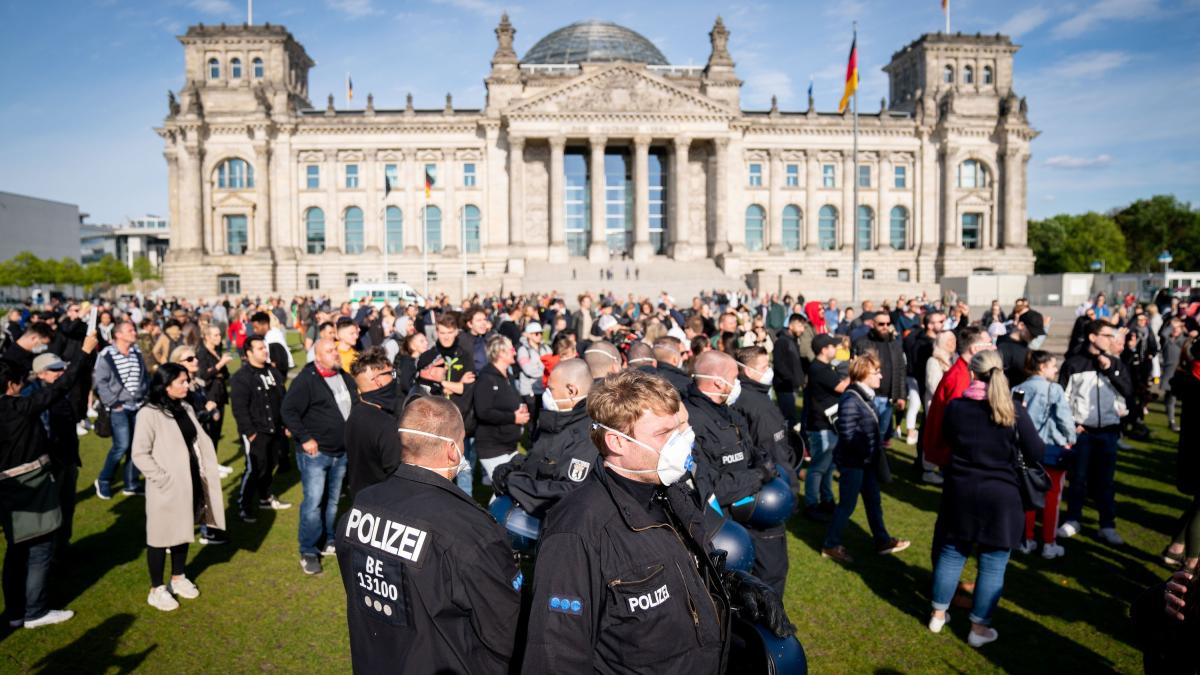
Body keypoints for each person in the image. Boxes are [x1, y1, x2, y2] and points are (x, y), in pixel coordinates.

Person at [522, 369, 793, 672]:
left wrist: (734, 584)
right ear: (617, 442)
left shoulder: (670, 492)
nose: (683, 441)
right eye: (665, 433)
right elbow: (555, 656)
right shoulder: (576, 532)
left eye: (681, 428)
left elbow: (689, 568)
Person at [335, 395, 521, 673]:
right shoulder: (471, 531)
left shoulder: (362, 505)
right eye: (461, 441)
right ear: (451, 450)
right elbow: (504, 627)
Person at [928, 350, 1044, 647]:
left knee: (952, 553)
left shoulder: (956, 408)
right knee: (992, 563)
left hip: (961, 490)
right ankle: (978, 629)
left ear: (973, 372)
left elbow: (947, 439)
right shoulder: (1013, 409)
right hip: (1001, 496)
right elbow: (1037, 452)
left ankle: (938, 614)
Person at [1, 333, 97, 629]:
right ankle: (35, 611)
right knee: (40, 547)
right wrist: (83, 351)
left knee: (16, 549)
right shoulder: (18, 407)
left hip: (5, 487)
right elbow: (63, 385)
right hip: (30, 483)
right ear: (11, 385)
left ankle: (15, 611)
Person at [687, 350, 786, 594]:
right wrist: (758, 476)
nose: (738, 383)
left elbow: (751, 450)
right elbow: (711, 489)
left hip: (757, 516)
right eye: (734, 377)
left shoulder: (728, 411)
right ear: (718, 382)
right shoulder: (692, 423)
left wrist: (763, 462)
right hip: (728, 530)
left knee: (773, 576)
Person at [131, 364, 226, 611]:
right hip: (166, 485)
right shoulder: (148, 413)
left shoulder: (184, 407)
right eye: (182, 381)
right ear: (166, 384)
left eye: (187, 380)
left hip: (190, 479)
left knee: (183, 530)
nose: (187, 385)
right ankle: (157, 588)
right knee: (160, 536)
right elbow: (139, 454)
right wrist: (163, 479)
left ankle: (178, 577)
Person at [821, 352, 910, 564]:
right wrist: (865, 455)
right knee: (847, 506)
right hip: (855, 464)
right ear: (863, 374)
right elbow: (848, 435)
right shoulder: (852, 399)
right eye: (876, 372)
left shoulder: (862, 395)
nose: (880, 376)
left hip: (864, 463)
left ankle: (882, 540)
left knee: (873, 501)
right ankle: (830, 545)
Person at [282, 337, 356, 575]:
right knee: (313, 503)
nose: (336, 353)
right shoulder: (307, 379)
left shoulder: (343, 375)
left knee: (332, 501)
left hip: (341, 452)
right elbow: (288, 410)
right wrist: (305, 438)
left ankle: (328, 538)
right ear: (318, 357)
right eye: (330, 350)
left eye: (335, 349)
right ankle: (309, 550)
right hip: (316, 453)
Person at [1058, 319, 1134, 545]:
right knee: (1078, 478)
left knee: (1106, 482)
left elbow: (1128, 391)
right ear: (1093, 337)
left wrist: (1110, 370)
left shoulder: (1116, 363)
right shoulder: (1073, 363)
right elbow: (1062, 398)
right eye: (1108, 335)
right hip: (1083, 432)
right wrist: (1071, 424)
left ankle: (1107, 525)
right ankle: (1073, 519)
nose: (1112, 340)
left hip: (1109, 432)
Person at [492, 358, 596, 515]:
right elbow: (539, 457)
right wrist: (511, 466)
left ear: (571, 391)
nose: (547, 395)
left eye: (551, 389)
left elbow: (569, 492)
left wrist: (514, 482)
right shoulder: (559, 420)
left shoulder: (585, 435)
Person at [27, 351, 95, 556]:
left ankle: (63, 547)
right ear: (40, 374)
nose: (61, 372)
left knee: (67, 505)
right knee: (51, 511)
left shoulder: (61, 393)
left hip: (68, 458)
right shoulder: (33, 396)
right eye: (55, 369)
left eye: (62, 368)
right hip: (49, 463)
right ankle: (49, 555)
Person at [1012, 350, 1076, 559]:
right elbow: (1064, 418)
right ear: (1042, 367)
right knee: (1051, 499)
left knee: (1028, 496)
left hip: (1025, 449)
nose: (1056, 369)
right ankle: (1048, 543)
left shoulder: (1018, 389)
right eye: (1052, 366)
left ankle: (1027, 539)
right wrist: (1071, 439)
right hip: (1050, 449)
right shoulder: (1053, 389)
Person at [230, 335, 291, 522]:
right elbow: (239, 409)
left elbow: (282, 398)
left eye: (265, 347)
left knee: (270, 465)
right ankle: (244, 505)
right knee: (254, 469)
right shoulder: (241, 377)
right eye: (260, 348)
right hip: (257, 432)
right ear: (248, 353)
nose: (265, 350)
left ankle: (265, 497)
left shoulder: (273, 372)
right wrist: (250, 433)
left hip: (275, 429)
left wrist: (286, 424)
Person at [416, 312, 477, 495]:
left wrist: (444, 385)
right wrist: (451, 386)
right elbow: (423, 385)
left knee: (464, 471)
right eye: (442, 332)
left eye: (450, 332)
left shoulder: (465, 356)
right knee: (437, 472)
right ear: (436, 332)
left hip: (462, 421)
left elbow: (468, 389)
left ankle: (466, 511)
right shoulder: (429, 356)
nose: (446, 336)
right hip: (435, 424)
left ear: (456, 332)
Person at [345, 347, 415, 498]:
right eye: (391, 374)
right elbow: (397, 471)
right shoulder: (385, 424)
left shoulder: (355, 413)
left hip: (361, 498)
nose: (395, 378)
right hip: (385, 502)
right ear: (378, 381)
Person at [923, 326, 994, 470]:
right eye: (988, 344)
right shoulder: (960, 376)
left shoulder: (963, 371)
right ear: (974, 349)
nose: (993, 348)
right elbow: (959, 419)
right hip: (952, 451)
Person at [93, 320, 149, 499]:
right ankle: (103, 480)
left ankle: (131, 484)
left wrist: (145, 396)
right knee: (121, 446)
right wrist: (113, 403)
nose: (134, 332)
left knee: (136, 447)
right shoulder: (107, 354)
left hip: (138, 406)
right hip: (119, 408)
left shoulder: (136, 352)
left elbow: (144, 376)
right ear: (118, 335)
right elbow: (100, 382)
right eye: (130, 330)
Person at [802, 334, 848, 522]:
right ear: (824, 349)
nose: (836, 349)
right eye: (832, 346)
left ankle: (827, 499)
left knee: (828, 466)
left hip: (827, 424)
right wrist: (857, 371)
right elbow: (842, 387)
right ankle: (812, 504)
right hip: (821, 425)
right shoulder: (819, 368)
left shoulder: (823, 367)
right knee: (818, 468)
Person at [733, 345, 796, 483]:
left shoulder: (743, 394)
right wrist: (789, 479)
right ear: (748, 371)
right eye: (764, 367)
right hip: (774, 476)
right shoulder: (759, 405)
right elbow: (772, 448)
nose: (769, 371)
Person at [472, 335, 529, 484]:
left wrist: (521, 408)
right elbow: (483, 412)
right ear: (501, 353)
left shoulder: (507, 376)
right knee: (505, 488)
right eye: (511, 349)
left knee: (512, 488)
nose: (515, 352)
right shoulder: (486, 378)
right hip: (492, 447)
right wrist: (513, 417)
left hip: (509, 445)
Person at [852, 311, 907, 444]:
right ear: (873, 324)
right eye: (881, 324)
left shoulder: (895, 344)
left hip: (888, 397)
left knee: (881, 434)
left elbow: (900, 371)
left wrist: (901, 396)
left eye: (888, 323)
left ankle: (877, 460)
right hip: (868, 396)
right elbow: (856, 370)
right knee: (866, 433)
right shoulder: (862, 343)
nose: (885, 326)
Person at [195, 325, 233, 450]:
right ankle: (209, 465)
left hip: (220, 395)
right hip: (209, 396)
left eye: (219, 334)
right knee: (209, 432)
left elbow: (226, 374)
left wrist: (219, 369)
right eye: (215, 335)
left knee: (216, 432)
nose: (219, 337)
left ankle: (214, 464)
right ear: (207, 337)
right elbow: (204, 375)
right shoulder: (202, 353)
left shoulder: (217, 351)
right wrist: (220, 364)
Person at [773, 313, 808, 431]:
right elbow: (779, 364)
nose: (802, 329)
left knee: (791, 415)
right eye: (800, 326)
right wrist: (792, 379)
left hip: (791, 385)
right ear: (791, 325)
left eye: (803, 327)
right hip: (785, 386)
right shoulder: (782, 341)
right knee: (788, 418)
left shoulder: (793, 340)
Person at [516, 321, 549, 432]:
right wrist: (545, 371)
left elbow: (552, 364)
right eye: (536, 333)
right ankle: (531, 442)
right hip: (530, 391)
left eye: (540, 333)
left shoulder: (545, 348)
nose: (539, 335)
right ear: (529, 334)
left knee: (543, 417)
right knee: (532, 419)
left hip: (543, 389)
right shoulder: (523, 350)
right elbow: (528, 369)